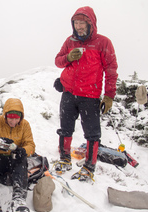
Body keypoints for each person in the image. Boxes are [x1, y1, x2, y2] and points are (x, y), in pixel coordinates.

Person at [54, 6, 118, 181]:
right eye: (76, 23)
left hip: (89, 95)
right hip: (68, 93)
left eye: (82, 23)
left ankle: (89, 166)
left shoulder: (103, 42)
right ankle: (64, 159)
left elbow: (111, 69)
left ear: (91, 23)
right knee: (65, 129)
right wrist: (68, 57)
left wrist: (109, 95)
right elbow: (58, 61)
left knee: (92, 133)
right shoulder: (70, 41)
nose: (79, 26)